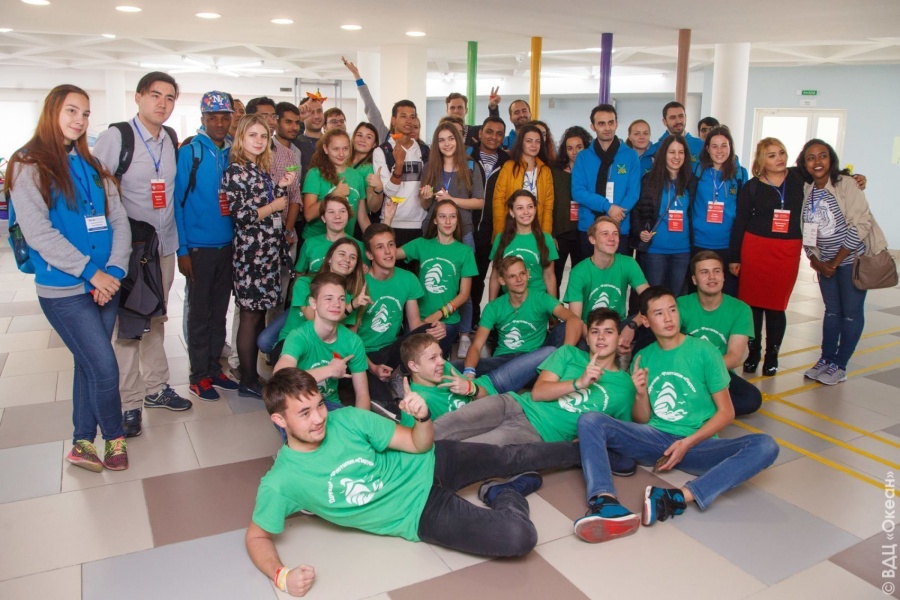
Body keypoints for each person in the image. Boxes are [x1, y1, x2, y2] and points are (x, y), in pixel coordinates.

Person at [245, 368, 582, 596]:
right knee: (518, 537)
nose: (320, 418)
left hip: (431, 461)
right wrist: (282, 576)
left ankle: (590, 451)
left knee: (513, 456)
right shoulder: (282, 481)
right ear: (279, 420)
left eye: (319, 405)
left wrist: (422, 418)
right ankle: (504, 491)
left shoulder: (347, 419)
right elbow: (256, 535)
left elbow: (417, 444)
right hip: (417, 513)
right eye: (304, 413)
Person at [571, 286, 779, 544]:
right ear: (646, 320)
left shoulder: (705, 351)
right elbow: (642, 419)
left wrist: (686, 444)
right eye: (659, 313)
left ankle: (676, 497)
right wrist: (640, 394)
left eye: (672, 310)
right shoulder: (643, 356)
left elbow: (727, 413)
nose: (668, 318)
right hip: (655, 439)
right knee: (590, 420)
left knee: (765, 445)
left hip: (698, 444)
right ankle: (606, 502)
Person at [6, 84, 131, 471]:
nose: (80, 120)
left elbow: (118, 220)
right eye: (71, 111)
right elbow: (39, 233)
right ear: (52, 112)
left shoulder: (94, 166)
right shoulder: (28, 164)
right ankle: (114, 437)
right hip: (64, 289)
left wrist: (113, 272)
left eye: (86, 113)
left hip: (105, 284)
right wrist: (92, 274)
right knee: (104, 367)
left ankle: (82, 441)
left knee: (87, 364)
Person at [92, 71, 191, 437]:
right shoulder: (118, 137)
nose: (162, 103)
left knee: (157, 318)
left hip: (162, 247)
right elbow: (97, 191)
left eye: (169, 97)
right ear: (138, 97)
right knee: (129, 326)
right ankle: (129, 402)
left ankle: (156, 387)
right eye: (155, 95)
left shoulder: (170, 138)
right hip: (129, 250)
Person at [436, 309, 637, 456]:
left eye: (608, 332)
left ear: (620, 338)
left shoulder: (625, 386)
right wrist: (578, 383)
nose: (601, 337)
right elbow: (538, 392)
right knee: (447, 424)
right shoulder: (568, 353)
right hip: (514, 403)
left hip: (538, 431)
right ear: (588, 337)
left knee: (468, 451)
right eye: (594, 331)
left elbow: (622, 433)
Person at [798, 139, 887, 385]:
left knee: (850, 314)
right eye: (811, 158)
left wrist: (835, 262)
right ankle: (826, 359)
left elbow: (861, 224)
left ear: (832, 159)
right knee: (832, 311)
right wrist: (816, 261)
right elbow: (806, 231)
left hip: (850, 262)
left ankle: (840, 364)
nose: (817, 162)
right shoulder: (807, 189)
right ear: (804, 163)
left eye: (823, 155)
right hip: (825, 263)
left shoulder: (846, 184)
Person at [174, 90, 239, 402]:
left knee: (219, 312)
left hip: (227, 246)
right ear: (203, 118)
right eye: (213, 117)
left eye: (224, 117)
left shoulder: (233, 152)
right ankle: (198, 376)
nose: (219, 123)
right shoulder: (191, 152)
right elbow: (176, 203)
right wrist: (182, 249)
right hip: (198, 249)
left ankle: (214, 368)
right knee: (199, 314)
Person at [227, 113, 297, 398]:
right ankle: (247, 381)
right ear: (241, 138)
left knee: (258, 316)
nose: (258, 141)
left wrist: (281, 186)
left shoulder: (259, 169)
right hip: (251, 255)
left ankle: (251, 375)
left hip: (267, 253)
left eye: (263, 136)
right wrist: (274, 206)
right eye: (252, 135)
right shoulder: (236, 171)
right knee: (250, 316)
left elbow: (263, 202)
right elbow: (242, 215)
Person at [729, 138, 801, 377]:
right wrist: (735, 257)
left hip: (787, 250)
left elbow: (828, 174)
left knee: (777, 306)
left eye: (781, 152)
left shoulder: (799, 179)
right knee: (753, 306)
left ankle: (772, 355)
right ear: (761, 161)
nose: (779, 158)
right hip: (756, 249)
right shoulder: (752, 187)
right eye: (771, 155)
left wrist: (854, 178)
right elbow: (740, 223)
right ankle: (754, 352)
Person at [358, 224, 445, 414]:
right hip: (364, 353)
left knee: (429, 329)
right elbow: (349, 338)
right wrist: (372, 367)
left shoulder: (408, 278)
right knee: (385, 406)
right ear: (370, 254)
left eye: (391, 245)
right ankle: (389, 386)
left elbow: (415, 325)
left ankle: (402, 373)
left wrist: (437, 327)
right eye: (380, 247)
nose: (388, 251)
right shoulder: (360, 282)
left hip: (392, 349)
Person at [462, 256, 582, 394]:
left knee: (562, 331)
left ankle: (498, 384)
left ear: (528, 274)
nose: (519, 279)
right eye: (512, 276)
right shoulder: (493, 307)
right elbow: (476, 346)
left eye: (522, 274)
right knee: (456, 367)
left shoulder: (541, 298)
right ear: (502, 280)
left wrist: (564, 355)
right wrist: (469, 372)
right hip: (504, 362)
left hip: (535, 361)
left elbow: (574, 320)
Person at [418, 122, 485, 354]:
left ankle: (464, 334)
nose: (446, 144)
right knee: (434, 283)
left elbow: (479, 202)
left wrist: (451, 199)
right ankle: (430, 327)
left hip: (463, 231)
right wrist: (426, 196)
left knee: (463, 287)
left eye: (450, 138)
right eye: (441, 140)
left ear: (458, 140)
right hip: (433, 231)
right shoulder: (430, 167)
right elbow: (425, 205)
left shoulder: (471, 165)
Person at [384, 199, 478, 357]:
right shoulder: (422, 244)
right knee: (410, 357)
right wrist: (388, 220)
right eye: (442, 216)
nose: (447, 221)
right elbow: (389, 254)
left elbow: (464, 295)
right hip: (417, 319)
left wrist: (439, 314)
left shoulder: (465, 252)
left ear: (457, 220)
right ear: (435, 220)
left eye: (452, 216)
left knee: (429, 355)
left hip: (447, 321)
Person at [677, 251, 761, 415]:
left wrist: (701, 372)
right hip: (683, 370)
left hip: (717, 372)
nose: (712, 277)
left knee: (751, 399)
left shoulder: (740, 309)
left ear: (723, 276)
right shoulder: (681, 304)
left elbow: (734, 357)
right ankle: (705, 403)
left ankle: (691, 402)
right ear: (694, 279)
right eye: (704, 272)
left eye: (716, 271)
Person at [274, 272, 371, 410]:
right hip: (297, 403)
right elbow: (280, 379)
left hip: (330, 404)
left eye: (341, 299)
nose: (336, 304)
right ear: (313, 303)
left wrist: (360, 422)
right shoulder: (299, 336)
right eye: (328, 299)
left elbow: (362, 394)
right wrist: (330, 370)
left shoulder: (353, 341)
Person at [263, 236, 368, 363]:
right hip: (292, 343)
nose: (347, 260)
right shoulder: (304, 283)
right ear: (329, 258)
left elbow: (345, 334)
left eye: (353, 257)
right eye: (342, 254)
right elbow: (313, 318)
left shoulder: (351, 295)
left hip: (324, 347)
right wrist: (351, 305)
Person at [564, 217, 648, 351]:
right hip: (590, 328)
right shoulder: (578, 272)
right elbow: (576, 319)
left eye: (615, 234)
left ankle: (637, 362)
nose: (612, 238)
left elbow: (651, 301)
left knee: (652, 322)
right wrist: (605, 343)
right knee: (573, 339)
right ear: (592, 239)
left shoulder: (629, 263)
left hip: (618, 325)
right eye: (605, 234)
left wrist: (632, 326)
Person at [571, 104, 642, 258]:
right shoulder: (583, 157)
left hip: (619, 227)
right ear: (593, 127)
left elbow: (633, 192)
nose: (607, 128)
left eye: (611, 122)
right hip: (589, 227)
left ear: (616, 124)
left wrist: (616, 214)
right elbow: (578, 191)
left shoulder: (630, 155)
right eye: (601, 124)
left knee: (618, 272)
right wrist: (607, 206)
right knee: (589, 272)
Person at [630, 135, 696, 297]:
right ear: (663, 154)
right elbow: (636, 210)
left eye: (681, 152)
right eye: (672, 152)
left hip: (683, 250)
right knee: (654, 297)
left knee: (677, 298)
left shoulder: (692, 181)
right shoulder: (649, 180)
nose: (676, 156)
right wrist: (640, 231)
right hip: (655, 250)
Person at [690, 126, 748, 297]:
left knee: (727, 293)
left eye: (724, 145)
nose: (719, 151)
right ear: (707, 148)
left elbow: (743, 211)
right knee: (698, 292)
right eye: (714, 146)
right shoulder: (697, 171)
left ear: (731, 147)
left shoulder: (740, 174)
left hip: (727, 244)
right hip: (699, 242)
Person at [470, 115, 511, 332]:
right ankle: (463, 322)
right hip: (466, 226)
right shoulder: (466, 156)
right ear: (480, 133)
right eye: (489, 131)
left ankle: (482, 321)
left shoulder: (508, 162)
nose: (493, 137)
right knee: (464, 277)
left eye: (499, 133)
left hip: (493, 229)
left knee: (486, 277)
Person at [372, 100, 430, 247]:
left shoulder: (424, 151)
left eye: (412, 117)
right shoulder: (382, 151)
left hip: (420, 223)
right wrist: (399, 164)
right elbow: (389, 191)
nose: (409, 121)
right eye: (403, 116)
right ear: (393, 120)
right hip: (392, 222)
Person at [490, 189, 558, 299]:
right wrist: (492, 305)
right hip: (510, 300)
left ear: (535, 209)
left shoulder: (546, 239)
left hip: (538, 300)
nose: (526, 212)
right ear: (512, 212)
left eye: (530, 207)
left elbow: (549, 276)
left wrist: (553, 306)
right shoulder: (501, 239)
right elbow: (495, 275)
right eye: (520, 208)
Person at [302, 128, 369, 240]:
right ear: (326, 149)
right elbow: (308, 215)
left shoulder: (357, 176)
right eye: (336, 149)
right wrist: (335, 194)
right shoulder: (315, 174)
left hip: (345, 243)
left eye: (345, 149)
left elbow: (362, 217)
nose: (341, 154)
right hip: (317, 242)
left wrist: (374, 241)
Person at [492, 124, 553, 238]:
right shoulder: (509, 167)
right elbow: (498, 201)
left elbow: (548, 206)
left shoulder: (545, 171)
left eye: (538, 141)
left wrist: (546, 236)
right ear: (521, 143)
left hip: (537, 230)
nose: (534, 145)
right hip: (510, 230)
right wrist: (500, 234)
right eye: (529, 141)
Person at [551, 126, 591, 284]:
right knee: (555, 276)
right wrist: (551, 233)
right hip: (560, 231)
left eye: (579, 147)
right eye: (570, 148)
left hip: (583, 232)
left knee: (581, 278)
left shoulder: (592, 172)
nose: (574, 152)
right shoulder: (555, 172)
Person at [296, 195, 366, 275]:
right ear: (323, 218)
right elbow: (299, 275)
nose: (337, 216)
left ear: (348, 216)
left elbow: (366, 277)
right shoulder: (309, 244)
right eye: (331, 212)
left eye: (342, 211)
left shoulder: (359, 246)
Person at [349, 122, 384, 232]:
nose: (362, 140)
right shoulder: (341, 161)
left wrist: (378, 189)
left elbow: (373, 207)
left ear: (374, 144)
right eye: (359, 135)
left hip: (359, 223)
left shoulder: (370, 169)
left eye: (368, 137)